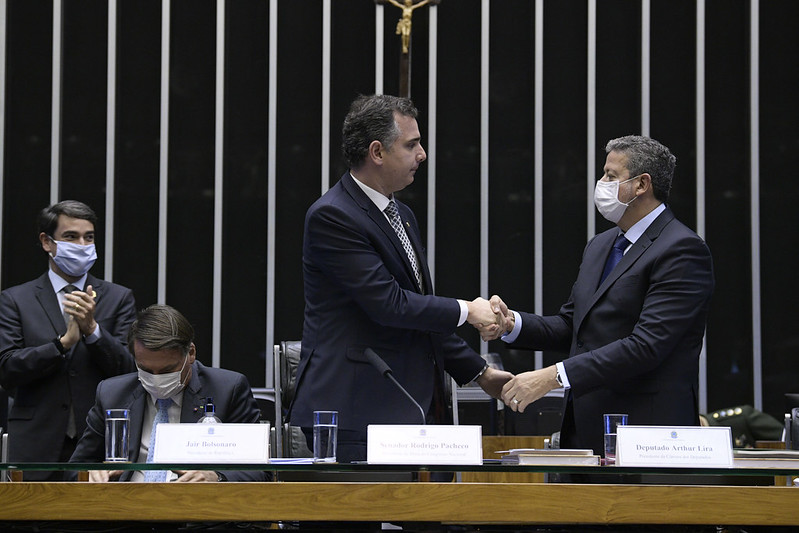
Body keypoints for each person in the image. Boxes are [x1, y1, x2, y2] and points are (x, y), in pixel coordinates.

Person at [289, 94, 512, 463]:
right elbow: (389, 305)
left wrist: (479, 372)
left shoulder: (401, 213)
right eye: (412, 144)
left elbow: (418, 315)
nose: (422, 154)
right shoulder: (333, 216)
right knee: (356, 521)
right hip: (355, 413)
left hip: (411, 410)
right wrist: (469, 311)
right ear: (377, 152)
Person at [481, 135, 715, 459]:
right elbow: (574, 326)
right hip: (583, 432)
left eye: (610, 175)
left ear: (641, 184)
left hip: (648, 439)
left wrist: (554, 376)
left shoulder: (682, 250)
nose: (600, 184)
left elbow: (646, 346)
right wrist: (512, 325)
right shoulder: (601, 245)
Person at [0, 200, 137, 480]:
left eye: (89, 237)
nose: (82, 245)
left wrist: (93, 331)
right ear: (47, 242)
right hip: (35, 443)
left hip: (97, 441)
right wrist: (61, 344)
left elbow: (129, 370)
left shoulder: (118, 297)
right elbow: (7, 369)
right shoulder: (15, 299)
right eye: (71, 237)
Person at [70, 304, 267, 482]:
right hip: (127, 512)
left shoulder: (228, 389)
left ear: (190, 353)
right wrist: (90, 474)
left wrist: (216, 477)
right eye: (146, 370)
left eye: (166, 371)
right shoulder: (111, 394)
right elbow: (73, 469)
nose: (156, 378)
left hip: (196, 513)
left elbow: (259, 472)